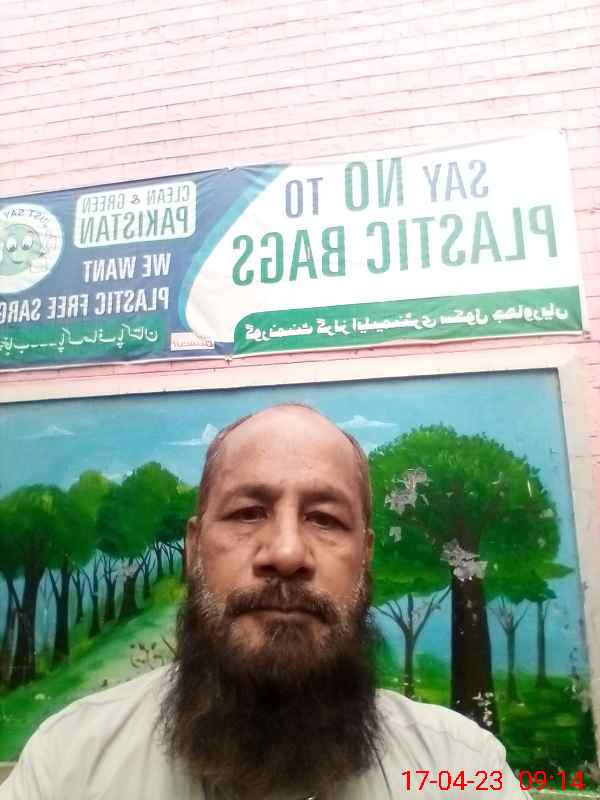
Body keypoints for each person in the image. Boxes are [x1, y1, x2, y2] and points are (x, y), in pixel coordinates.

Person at [1, 403, 530, 800]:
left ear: (365, 556)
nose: (286, 553)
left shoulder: (460, 768)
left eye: (325, 519)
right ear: (193, 548)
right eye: (248, 512)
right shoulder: (70, 764)